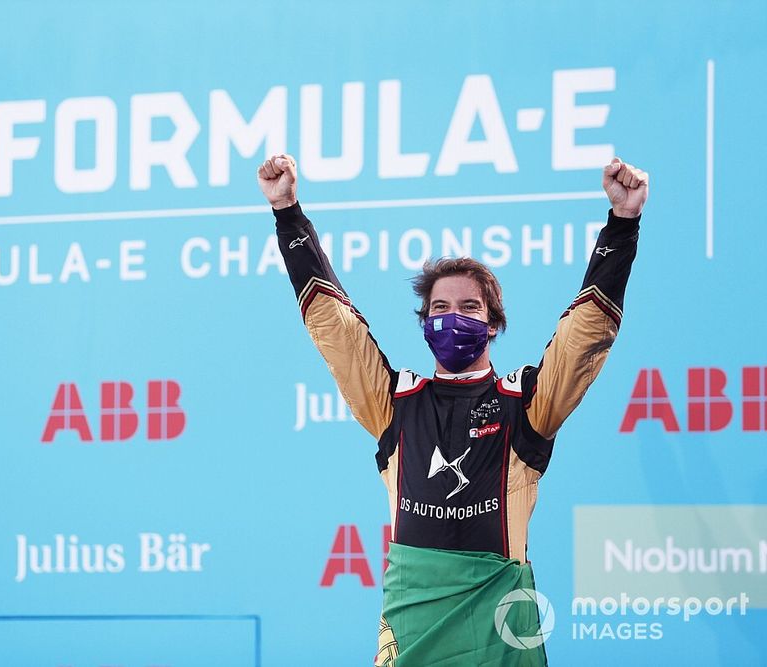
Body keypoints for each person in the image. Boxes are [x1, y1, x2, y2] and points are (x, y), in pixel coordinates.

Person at [257, 154, 648, 666]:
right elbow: (336, 329)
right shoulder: (395, 402)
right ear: (423, 322)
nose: (452, 317)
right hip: (413, 620)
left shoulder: (525, 404)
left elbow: (583, 338)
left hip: (498, 622)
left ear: (493, 324)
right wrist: (287, 211)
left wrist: (622, 225)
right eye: (439, 308)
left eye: (469, 308)